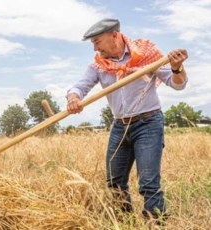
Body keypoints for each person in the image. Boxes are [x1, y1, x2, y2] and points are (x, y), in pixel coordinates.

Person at [66, 18, 188, 222]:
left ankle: (156, 223)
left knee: (148, 182)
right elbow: (80, 86)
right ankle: (124, 223)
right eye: (93, 44)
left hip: (148, 123)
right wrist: (73, 98)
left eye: (97, 41)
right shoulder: (98, 65)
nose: (95, 48)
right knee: (115, 181)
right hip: (119, 125)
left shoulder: (146, 55)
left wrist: (176, 68)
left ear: (115, 35)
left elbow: (177, 84)